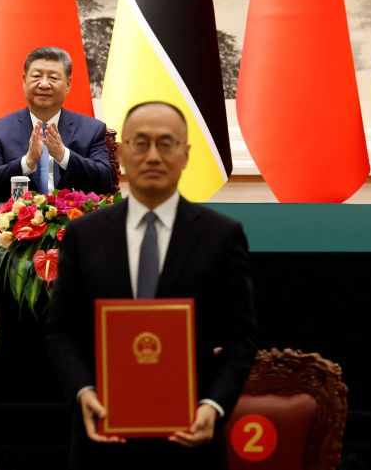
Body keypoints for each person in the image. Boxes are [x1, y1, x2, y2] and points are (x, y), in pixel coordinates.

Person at [45, 101, 257, 470]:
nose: (154, 155)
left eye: (167, 143)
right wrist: (83, 392)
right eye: (140, 143)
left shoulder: (220, 236)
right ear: (123, 153)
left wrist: (214, 406)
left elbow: (242, 337)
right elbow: (62, 330)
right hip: (103, 435)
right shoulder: (84, 234)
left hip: (191, 436)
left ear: (186, 154)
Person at [0, 46, 114, 202]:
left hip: (74, 222)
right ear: (24, 81)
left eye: (53, 78)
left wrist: (64, 156)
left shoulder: (92, 130)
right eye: (36, 76)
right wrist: (27, 162)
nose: (43, 84)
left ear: (68, 84)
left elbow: (105, 182)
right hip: (19, 223)